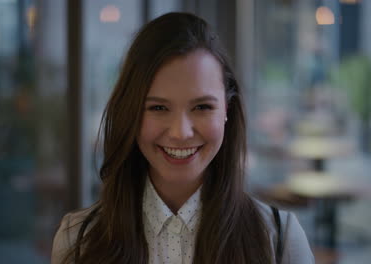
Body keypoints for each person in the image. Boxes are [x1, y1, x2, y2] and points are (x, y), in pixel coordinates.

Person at [51, 12, 314, 264]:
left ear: (227, 110)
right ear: (130, 112)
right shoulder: (77, 239)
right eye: (158, 108)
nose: (180, 132)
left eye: (202, 107)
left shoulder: (280, 240)